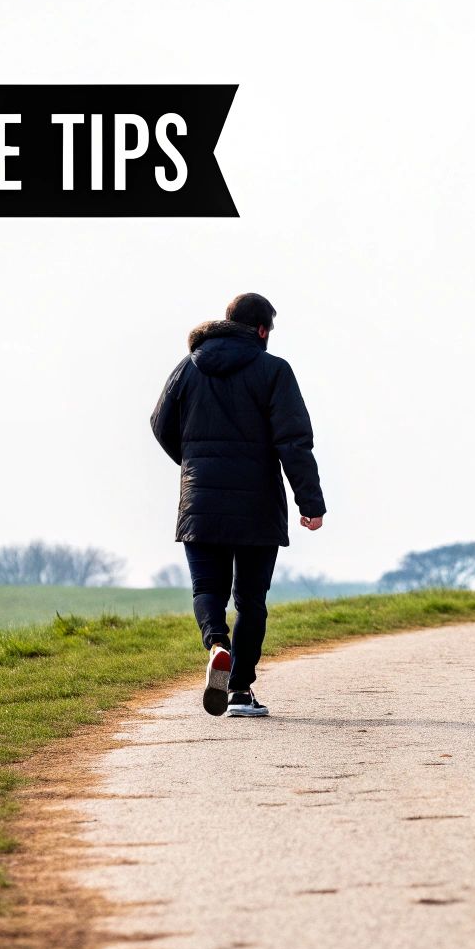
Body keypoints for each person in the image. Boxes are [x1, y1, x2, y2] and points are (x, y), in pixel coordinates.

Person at [150, 293, 325, 717]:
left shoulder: (187, 367)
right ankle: (240, 691)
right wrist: (310, 501)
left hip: (201, 500)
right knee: (250, 600)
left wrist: (196, 462)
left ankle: (217, 645)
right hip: (257, 504)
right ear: (262, 330)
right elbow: (293, 441)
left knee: (207, 589)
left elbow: (160, 425)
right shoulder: (273, 370)